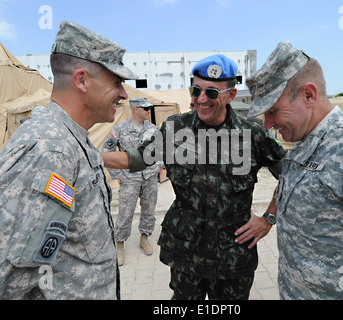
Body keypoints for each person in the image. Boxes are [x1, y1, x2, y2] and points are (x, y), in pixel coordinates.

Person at [101, 54, 287, 300]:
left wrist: (268, 218)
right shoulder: (175, 128)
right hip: (186, 252)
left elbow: (290, 175)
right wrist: (90, 155)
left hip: (233, 255)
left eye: (211, 93)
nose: (201, 99)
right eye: (195, 90)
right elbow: (135, 158)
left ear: (231, 95)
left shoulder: (252, 133)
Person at [0, 20, 137, 300]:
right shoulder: (49, 150)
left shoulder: (73, 140)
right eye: (116, 82)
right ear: (81, 80)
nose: (124, 94)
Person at [247, 41, 343, 300]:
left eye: (273, 111)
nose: (267, 125)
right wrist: (269, 218)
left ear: (309, 95)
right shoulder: (301, 144)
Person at [102, 97, 163, 263]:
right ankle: (120, 242)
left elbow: (161, 147)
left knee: (149, 209)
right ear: (135, 109)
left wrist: (159, 165)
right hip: (130, 177)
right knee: (126, 211)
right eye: (145, 109)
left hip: (149, 176)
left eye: (149, 108)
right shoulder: (120, 129)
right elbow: (106, 150)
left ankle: (145, 237)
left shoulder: (153, 128)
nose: (149, 111)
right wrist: (116, 174)